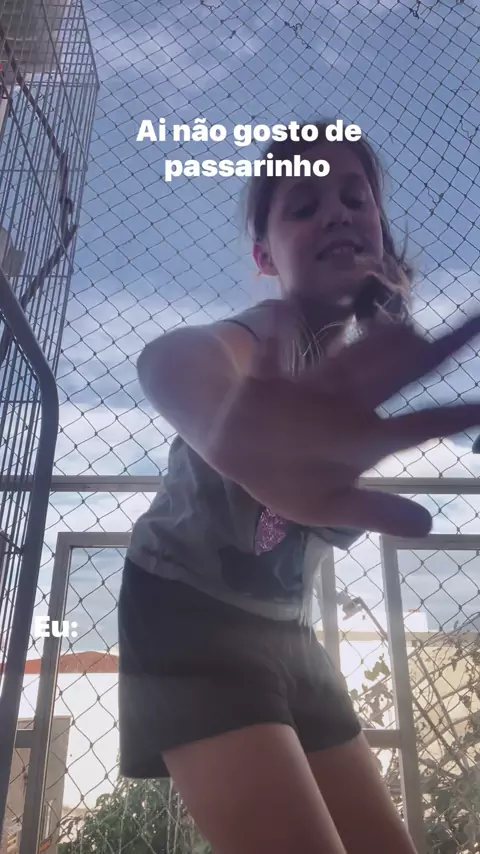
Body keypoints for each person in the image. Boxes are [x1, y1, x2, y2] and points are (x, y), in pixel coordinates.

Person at [118, 120, 480, 854]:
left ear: (379, 229)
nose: (336, 213)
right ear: (264, 254)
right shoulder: (268, 332)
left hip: (286, 630)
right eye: (305, 206)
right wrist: (226, 433)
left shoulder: (353, 372)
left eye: (354, 197)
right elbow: (172, 355)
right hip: (186, 612)